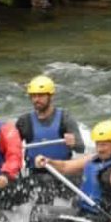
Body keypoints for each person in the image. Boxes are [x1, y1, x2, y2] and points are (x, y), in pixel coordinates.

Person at [15, 75, 85, 204]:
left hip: (62, 170)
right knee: (46, 183)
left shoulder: (65, 118)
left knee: (83, 181)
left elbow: (81, 147)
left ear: (50, 96)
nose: (36, 99)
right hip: (36, 173)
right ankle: (37, 221)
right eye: (33, 96)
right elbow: (11, 150)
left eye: (41, 96)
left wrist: (73, 142)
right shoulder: (24, 122)